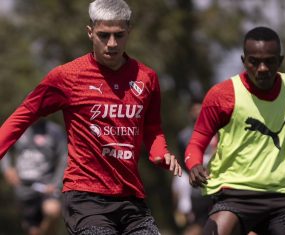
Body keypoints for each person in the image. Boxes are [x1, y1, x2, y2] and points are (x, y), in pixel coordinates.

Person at [0, 0, 182, 234]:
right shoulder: (66, 77)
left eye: (119, 35)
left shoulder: (147, 78)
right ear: (90, 32)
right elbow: (23, 116)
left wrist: (160, 153)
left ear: (129, 32)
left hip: (131, 199)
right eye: (103, 35)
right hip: (85, 198)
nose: (112, 44)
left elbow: (152, 128)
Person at [185, 26, 285, 235]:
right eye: (254, 61)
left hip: (281, 198)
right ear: (243, 61)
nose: (262, 68)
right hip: (235, 195)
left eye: (269, 61)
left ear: (280, 60)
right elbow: (196, 142)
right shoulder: (222, 95)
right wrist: (194, 164)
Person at [1, 119, 67, 235]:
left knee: (53, 210)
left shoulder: (55, 131)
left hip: (47, 186)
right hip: (24, 187)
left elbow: (64, 158)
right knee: (33, 231)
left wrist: (56, 183)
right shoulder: (18, 127)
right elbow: (3, 143)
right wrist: (7, 169)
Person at [172, 98, 215, 235]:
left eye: (199, 109)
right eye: (194, 110)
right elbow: (182, 160)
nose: (197, 113)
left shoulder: (217, 131)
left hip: (219, 185)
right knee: (199, 224)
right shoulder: (184, 136)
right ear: (189, 113)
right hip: (198, 189)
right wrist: (194, 172)